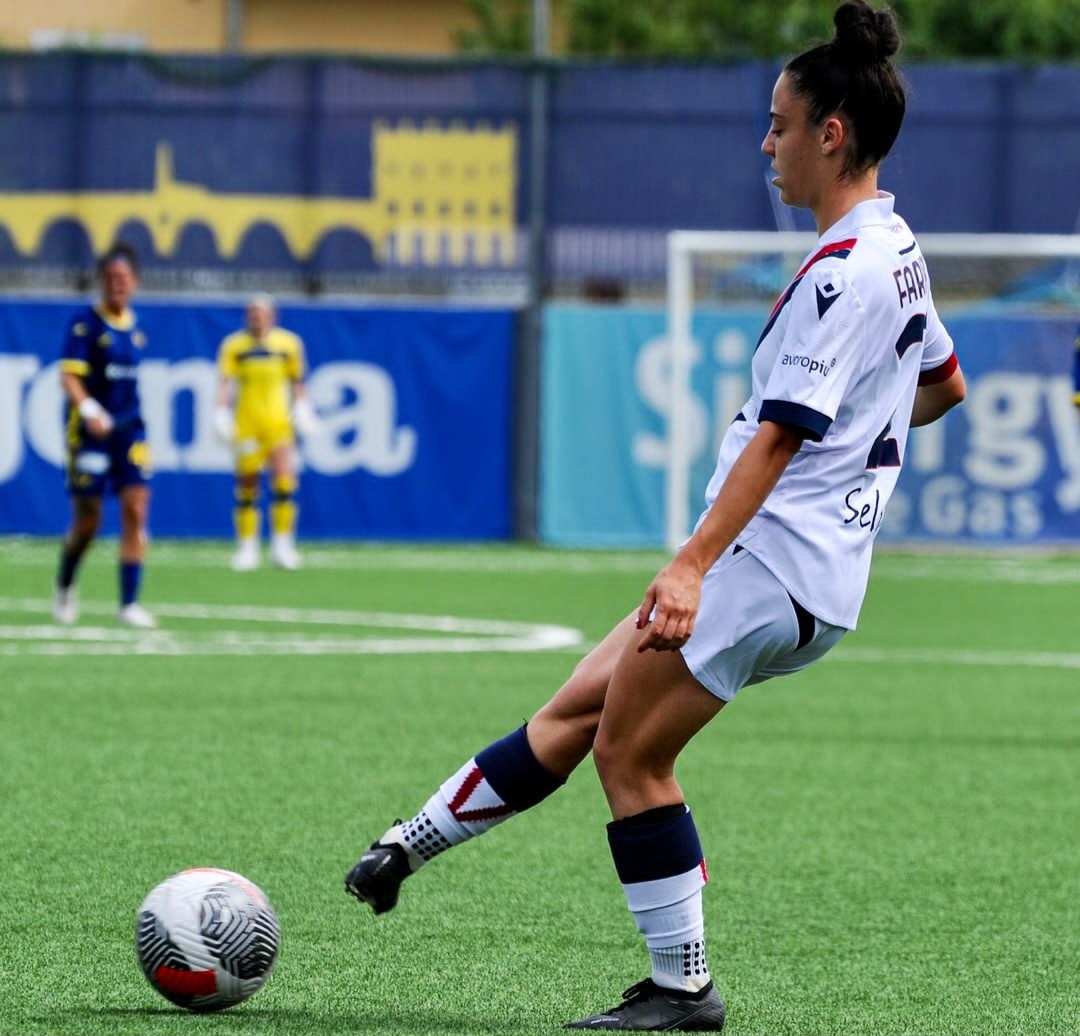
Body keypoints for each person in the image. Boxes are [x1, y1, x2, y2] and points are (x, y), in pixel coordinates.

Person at [344, 2, 967, 1030]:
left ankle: (684, 988)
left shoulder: (845, 275)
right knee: (580, 709)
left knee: (630, 756)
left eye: (777, 122)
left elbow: (778, 438)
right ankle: (404, 847)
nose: (764, 142)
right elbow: (942, 382)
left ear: (831, 133)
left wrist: (691, 565)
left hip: (766, 563)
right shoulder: (896, 248)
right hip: (809, 569)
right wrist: (864, 450)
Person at [53, 242, 157, 630]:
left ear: (136, 282)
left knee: (135, 509)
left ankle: (129, 603)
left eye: (124, 278)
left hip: (130, 430)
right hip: (91, 433)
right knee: (89, 521)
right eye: (111, 278)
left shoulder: (137, 327)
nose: (118, 285)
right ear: (101, 281)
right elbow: (68, 375)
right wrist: (89, 408)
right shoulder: (86, 324)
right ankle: (65, 581)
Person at [213, 294, 318, 571]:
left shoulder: (289, 344)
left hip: (277, 424)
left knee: (284, 482)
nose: (256, 320)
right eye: (252, 315)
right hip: (247, 424)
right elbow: (225, 382)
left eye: (261, 315)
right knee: (247, 486)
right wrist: (221, 413)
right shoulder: (234, 345)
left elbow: (298, 381)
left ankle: (283, 545)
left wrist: (304, 406)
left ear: (272, 316)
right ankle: (247, 547)